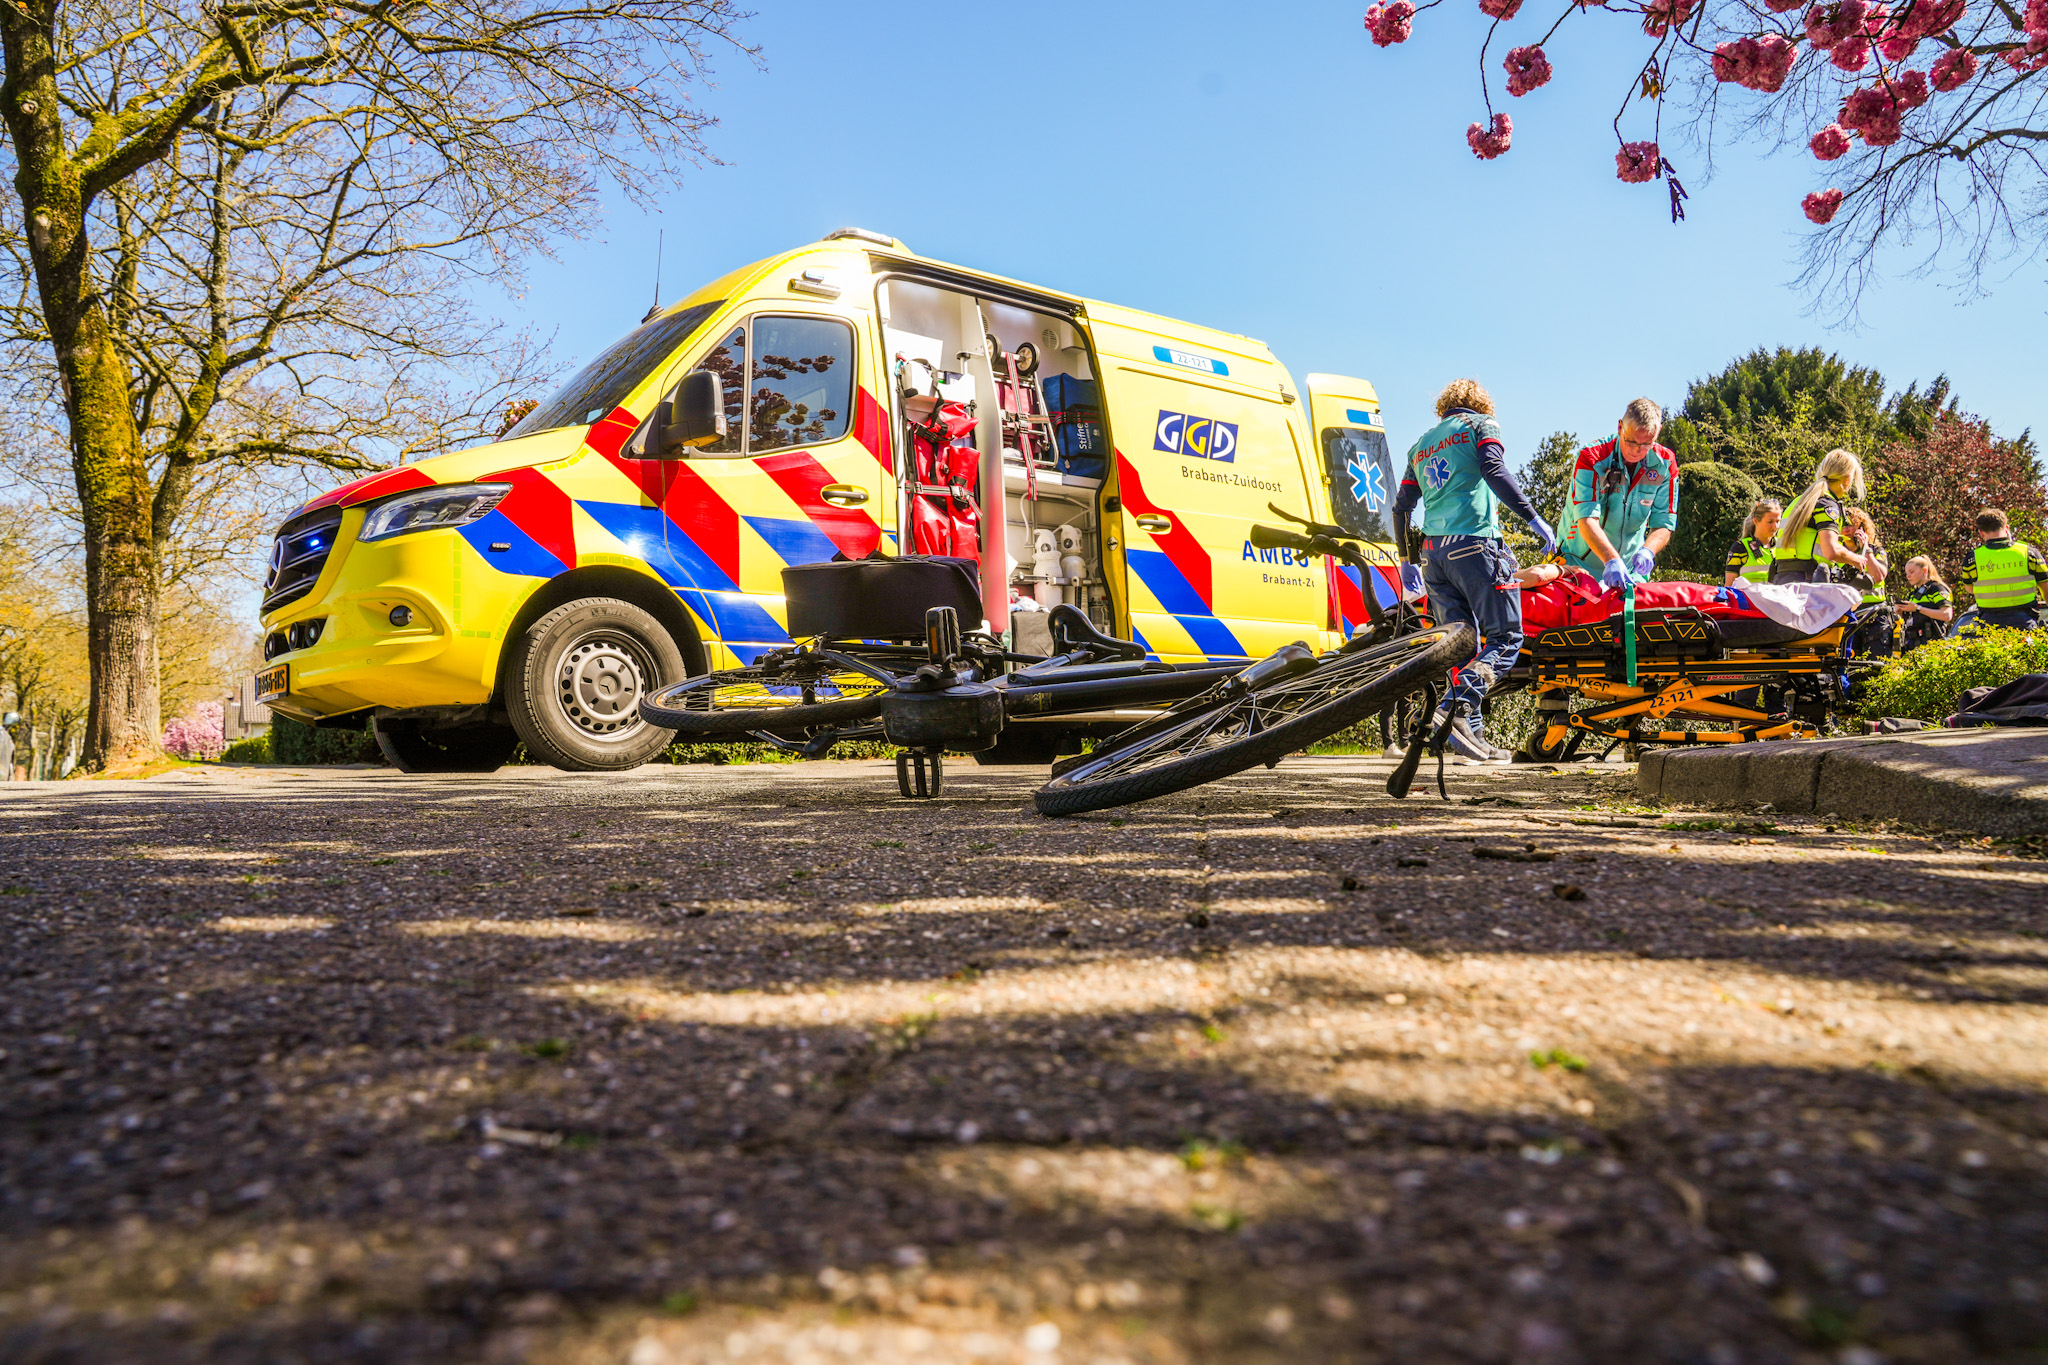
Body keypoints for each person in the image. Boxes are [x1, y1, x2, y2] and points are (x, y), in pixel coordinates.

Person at [1388, 378, 1555, 764]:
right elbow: (1494, 469)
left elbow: (1401, 508)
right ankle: (1453, 706)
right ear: (1481, 404)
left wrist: (1405, 558)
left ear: (1444, 405)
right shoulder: (1482, 425)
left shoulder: (1421, 444)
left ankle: (1471, 740)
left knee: (1462, 645)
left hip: (1433, 554)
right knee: (1507, 636)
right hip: (1475, 545)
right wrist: (1533, 518)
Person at [1558, 398, 1681, 589]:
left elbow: (1664, 523)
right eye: (1630, 441)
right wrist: (1611, 560)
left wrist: (1648, 550)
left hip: (1631, 572)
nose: (1636, 450)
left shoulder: (1666, 464)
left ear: (1658, 434)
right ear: (1620, 427)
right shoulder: (1591, 457)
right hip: (1578, 565)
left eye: (1646, 444)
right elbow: (1586, 519)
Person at [1769, 449, 1884, 587]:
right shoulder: (1827, 504)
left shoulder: (1801, 501)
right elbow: (1831, 551)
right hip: (1809, 581)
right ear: (1847, 480)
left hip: (1783, 579)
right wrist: (1855, 558)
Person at [1957, 508, 2048, 628]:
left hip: (1988, 623)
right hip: (2024, 621)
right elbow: (2046, 589)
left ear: (1981, 533)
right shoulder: (2029, 553)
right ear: (2007, 528)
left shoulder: (1972, 559)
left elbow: (1970, 589)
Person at [1841, 507, 1894, 657]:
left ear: (1861, 527)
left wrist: (1866, 549)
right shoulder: (1836, 553)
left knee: (1875, 666)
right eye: (1843, 525)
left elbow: (1878, 576)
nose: (1845, 529)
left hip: (1874, 615)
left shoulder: (1876, 551)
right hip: (1847, 614)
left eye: (1851, 524)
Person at [1897, 556, 1954, 650]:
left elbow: (1947, 615)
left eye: (1911, 572)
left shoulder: (1936, 589)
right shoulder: (1912, 595)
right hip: (1912, 645)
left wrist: (1918, 608)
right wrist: (1900, 612)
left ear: (1924, 570)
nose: (1908, 576)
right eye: (1906, 573)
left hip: (1932, 645)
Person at [1723, 499, 1782, 587]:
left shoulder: (1782, 546)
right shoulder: (1740, 548)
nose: (1775, 526)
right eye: (1770, 522)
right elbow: (1729, 587)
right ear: (1756, 521)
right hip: (1747, 600)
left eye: (1778, 521)